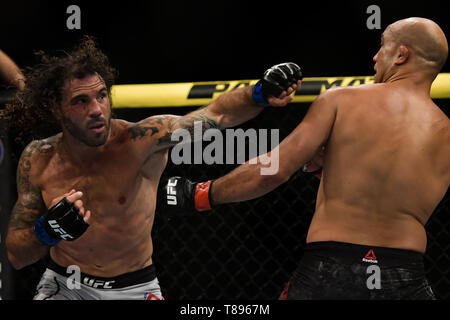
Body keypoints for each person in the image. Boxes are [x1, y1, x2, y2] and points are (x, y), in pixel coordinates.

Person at [162, 17, 449, 299]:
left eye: (382, 47)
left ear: (401, 54)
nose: (375, 57)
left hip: (332, 268)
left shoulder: (342, 100)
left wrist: (200, 194)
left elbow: (273, 170)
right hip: (405, 275)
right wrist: (332, 169)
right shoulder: (446, 132)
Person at [1, 36, 302, 300]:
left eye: (102, 96)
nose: (96, 109)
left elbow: (218, 114)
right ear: (56, 108)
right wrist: (47, 232)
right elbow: (16, 254)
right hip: (65, 286)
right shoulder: (37, 158)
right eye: (81, 101)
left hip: (133, 288)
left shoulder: (142, 141)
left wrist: (259, 93)